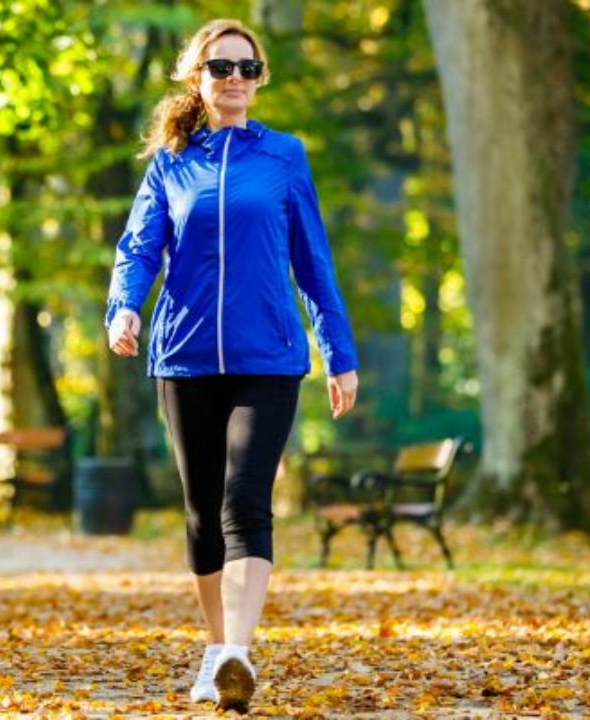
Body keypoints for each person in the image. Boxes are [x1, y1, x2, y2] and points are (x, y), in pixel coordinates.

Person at [104, 18, 360, 714]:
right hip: (184, 358)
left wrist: (338, 351)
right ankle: (217, 650)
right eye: (222, 68)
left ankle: (238, 653)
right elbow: (138, 249)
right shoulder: (170, 163)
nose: (237, 80)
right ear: (198, 78)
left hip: (269, 357)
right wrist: (124, 308)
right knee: (201, 514)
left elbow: (313, 261)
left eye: (249, 68)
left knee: (245, 500)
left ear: (259, 77)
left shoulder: (283, 156)